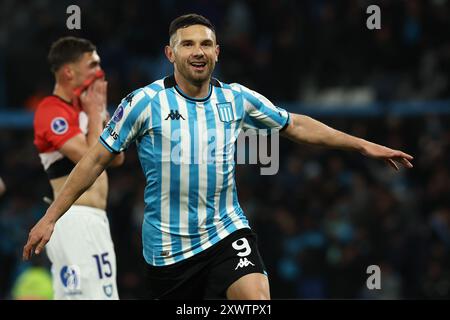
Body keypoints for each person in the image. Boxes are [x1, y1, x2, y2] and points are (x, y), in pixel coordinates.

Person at [23, 15, 413, 300]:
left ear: (217, 53)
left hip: (226, 232)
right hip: (168, 250)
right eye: (188, 44)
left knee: (256, 298)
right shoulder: (144, 103)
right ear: (170, 53)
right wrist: (50, 217)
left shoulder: (236, 98)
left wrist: (363, 145)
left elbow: (295, 124)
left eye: (206, 44)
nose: (198, 52)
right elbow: (93, 160)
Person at [30, 36, 124, 299]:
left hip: (94, 221)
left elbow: (117, 158)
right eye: (93, 64)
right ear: (69, 71)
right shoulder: (51, 110)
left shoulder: (85, 111)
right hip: (73, 219)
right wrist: (96, 115)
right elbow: (89, 158)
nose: (100, 72)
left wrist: (95, 114)